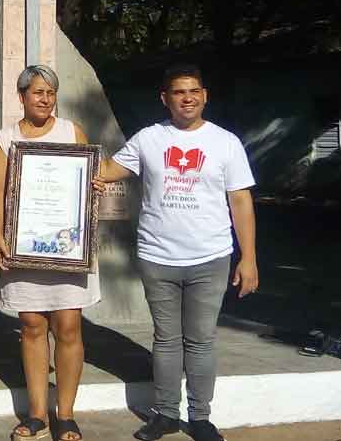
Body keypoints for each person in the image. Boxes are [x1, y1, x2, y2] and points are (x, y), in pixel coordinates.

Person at [97, 64, 258, 441]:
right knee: (166, 340)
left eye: (194, 91)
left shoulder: (225, 143)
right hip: (157, 256)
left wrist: (248, 258)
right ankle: (166, 414)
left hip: (210, 257)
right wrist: (60, 163)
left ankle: (200, 418)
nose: (187, 98)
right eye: (178, 92)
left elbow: (240, 201)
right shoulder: (148, 139)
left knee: (201, 340)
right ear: (165, 99)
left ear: (204, 96)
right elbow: (106, 171)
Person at [0, 65, 100, 441]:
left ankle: (65, 414)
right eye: (37, 92)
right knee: (33, 326)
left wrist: (94, 187)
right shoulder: (5, 140)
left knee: (68, 325)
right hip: (24, 246)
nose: (45, 99)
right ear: (21, 97)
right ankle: (37, 414)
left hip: (67, 247)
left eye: (50, 93)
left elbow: (88, 183)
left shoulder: (72, 132)